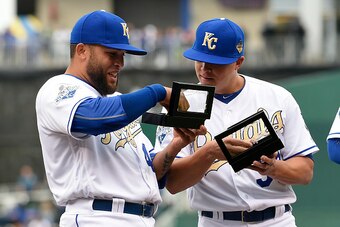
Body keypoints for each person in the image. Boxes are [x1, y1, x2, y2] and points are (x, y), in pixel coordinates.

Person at [35, 10, 210, 227]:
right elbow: (97, 118)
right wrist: (158, 92)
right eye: (112, 54)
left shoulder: (118, 103)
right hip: (96, 216)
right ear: (82, 50)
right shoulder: (58, 89)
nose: (121, 63)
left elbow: (153, 174)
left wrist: (175, 145)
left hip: (142, 217)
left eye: (123, 55)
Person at [154, 18, 319, 227]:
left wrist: (272, 168)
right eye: (199, 59)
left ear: (238, 62)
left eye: (215, 63)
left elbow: (305, 172)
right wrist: (210, 153)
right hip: (216, 221)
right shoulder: (182, 103)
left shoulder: (277, 97)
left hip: (276, 220)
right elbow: (174, 184)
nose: (205, 68)